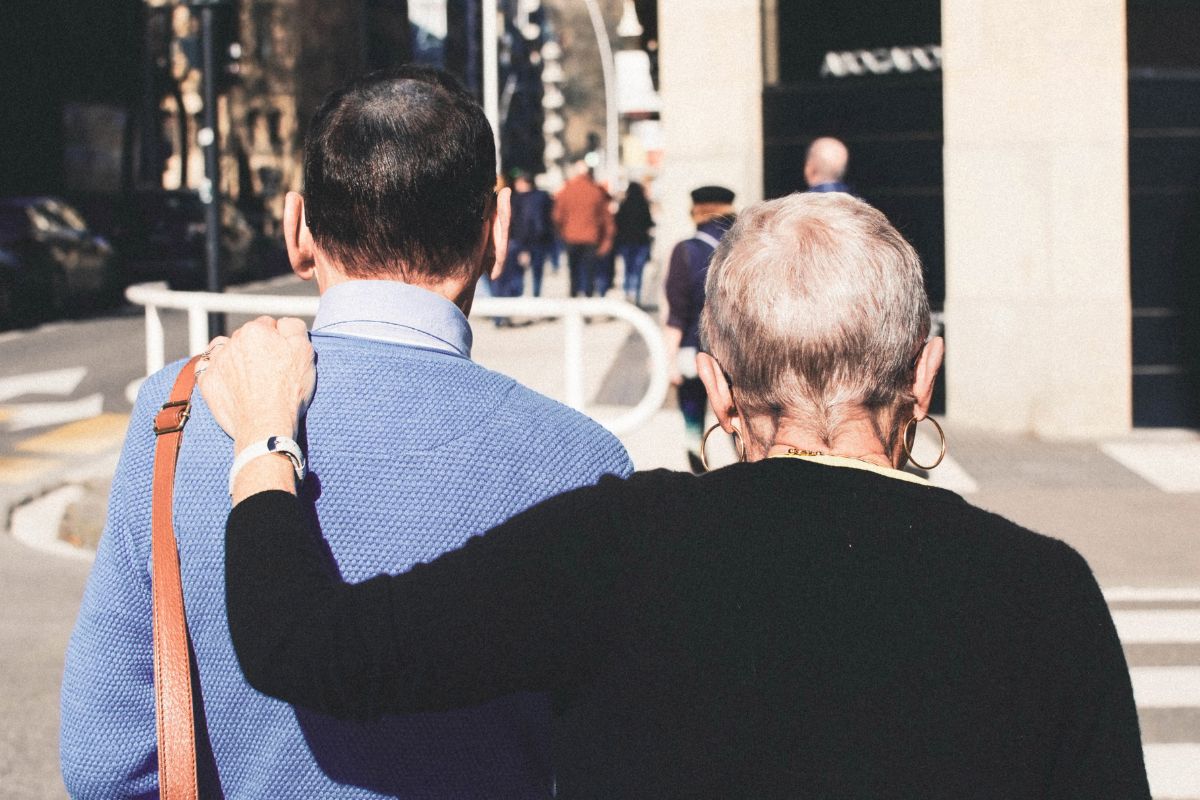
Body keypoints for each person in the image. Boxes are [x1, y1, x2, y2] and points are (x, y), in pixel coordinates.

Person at [203, 192, 1150, 798]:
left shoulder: (616, 546)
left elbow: (313, 649)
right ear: (925, 373)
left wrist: (265, 434)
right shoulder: (1045, 592)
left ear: (715, 384)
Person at [59, 67, 632, 799]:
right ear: (496, 230)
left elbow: (104, 762)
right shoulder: (581, 462)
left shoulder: (176, 414)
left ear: (298, 228)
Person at [664, 185, 736, 473]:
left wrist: (669, 361)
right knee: (739, 423)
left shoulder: (686, 252)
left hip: (695, 353)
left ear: (696, 211)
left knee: (693, 422)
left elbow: (677, 314)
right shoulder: (743, 248)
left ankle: (700, 475)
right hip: (737, 354)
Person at [553, 161, 614, 297]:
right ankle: (588, 299)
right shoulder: (596, 191)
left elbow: (557, 216)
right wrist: (606, 240)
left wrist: (562, 233)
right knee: (589, 273)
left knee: (573, 272)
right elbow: (606, 219)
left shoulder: (566, 191)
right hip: (591, 238)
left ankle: (574, 298)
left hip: (571, 237)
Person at [500, 171, 555, 299]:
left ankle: (518, 298)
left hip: (523, 241)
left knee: (518, 273)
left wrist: (523, 246)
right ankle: (535, 296)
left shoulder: (519, 200)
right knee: (537, 272)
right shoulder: (542, 197)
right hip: (540, 240)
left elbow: (522, 224)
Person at [613, 181, 655, 306]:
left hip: (626, 242)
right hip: (641, 242)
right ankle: (636, 296)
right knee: (638, 270)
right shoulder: (643, 204)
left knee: (628, 269)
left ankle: (627, 295)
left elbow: (617, 222)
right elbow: (648, 222)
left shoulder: (624, 205)